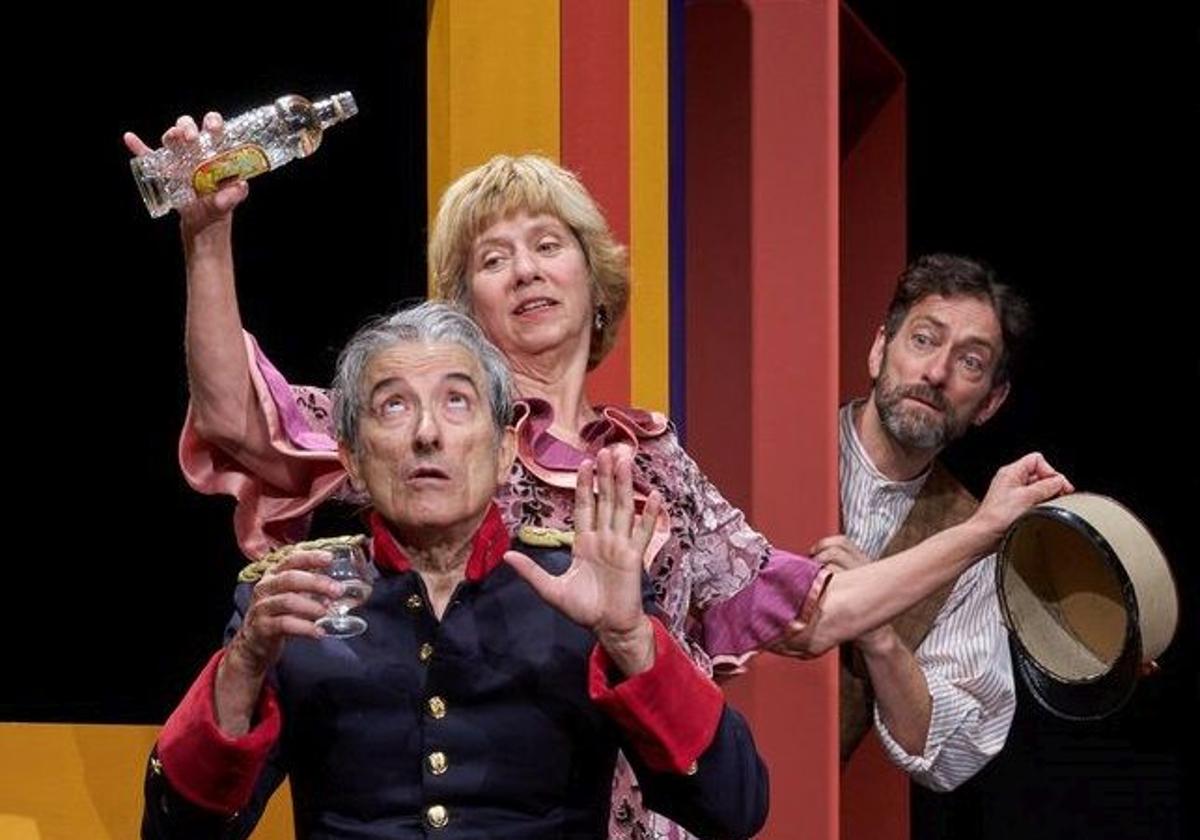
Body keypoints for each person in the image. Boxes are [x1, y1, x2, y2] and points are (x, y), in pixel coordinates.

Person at [125, 117, 1071, 838]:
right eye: (493, 259)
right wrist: (206, 240)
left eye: (549, 246)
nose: (526, 272)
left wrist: (981, 528)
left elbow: (815, 613)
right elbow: (237, 417)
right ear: (458, 306)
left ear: (593, 278)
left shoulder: (653, 464)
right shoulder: (411, 417)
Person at [141, 302, 769, 839]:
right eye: (393, 406)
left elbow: (734, 809)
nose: (426, 433)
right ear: (351, 459)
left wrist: (631, 639)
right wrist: (244, 667)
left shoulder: (583, 590)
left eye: (457, 402)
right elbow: (179, 830)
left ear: (503, 451)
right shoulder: (297, 597)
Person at [816, 254, 1058, 790]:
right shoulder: (778, 442)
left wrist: (877, 630)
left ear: (990, 402)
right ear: (880, 349)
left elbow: (954, 753)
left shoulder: (974, 540)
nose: (936, 372)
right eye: (924, 340)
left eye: (970, 362)